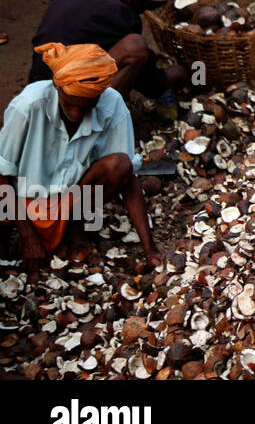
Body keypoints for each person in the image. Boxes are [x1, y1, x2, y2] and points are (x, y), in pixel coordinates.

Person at [1, 43, 160, 272]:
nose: (76, 113)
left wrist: (150, 249)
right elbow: (1, 174)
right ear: (57, 86)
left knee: (120, 164)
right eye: (70, 104)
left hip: (68, 201)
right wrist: (27, 236)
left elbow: (128, 178)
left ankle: (72, 226)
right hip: (19, 200)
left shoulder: (111, 103)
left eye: (86, 106)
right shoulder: (29, 105)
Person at [29, 0, 186, 100]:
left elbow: (92, 38)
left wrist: (150, 58)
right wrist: (177, 73)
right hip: (63, 103)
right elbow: (151, 86)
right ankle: (96, 121)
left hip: (36, 88)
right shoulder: (122, 16)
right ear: (132, 0)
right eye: (146, 8)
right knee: (136, 47)